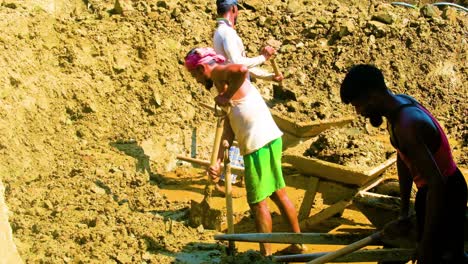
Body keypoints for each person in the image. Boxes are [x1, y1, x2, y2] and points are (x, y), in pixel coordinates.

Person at [340, 64, 467, 264]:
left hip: (446, 193)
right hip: (435, 190)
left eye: (358, 105)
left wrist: (426, 243)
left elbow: (437, 183)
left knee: (444, 256)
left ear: (372, 96)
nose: (358, 112)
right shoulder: (399, 107)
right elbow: (404, 158)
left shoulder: (408, 126)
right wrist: (404, 211)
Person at [184, 47, 305, 256]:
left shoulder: (219, 72)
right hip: (269, 137)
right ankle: (298, 244)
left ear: (202, 67)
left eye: (194, 74)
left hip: (257, 142)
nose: (195, 79)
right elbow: (230, 123)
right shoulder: (220, 81)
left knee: (257, 202)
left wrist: (227, 95)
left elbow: (241, 69)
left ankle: (265, 255)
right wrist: (219, 160)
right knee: (278, 192)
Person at [214, 0, 283, 82]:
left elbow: (241, 65)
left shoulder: (220, 31)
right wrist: (263, 57)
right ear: (233, 8)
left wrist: (269, 77)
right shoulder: (227, 32)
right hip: (238, 89)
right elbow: (238, 63)